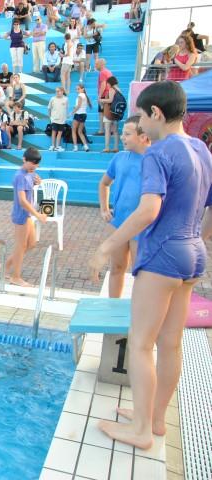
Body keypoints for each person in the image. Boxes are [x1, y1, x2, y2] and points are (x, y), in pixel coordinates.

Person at [89, 81, 212, 449]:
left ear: (156, 113)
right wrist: (196, 238)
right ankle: (155, 419)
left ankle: (141, 431)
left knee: (142, 343)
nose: (140, 125)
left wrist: (107, 245)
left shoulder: (158, 153)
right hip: (193, 252)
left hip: (163, 255)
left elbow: (149, 210)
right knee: (170, 343)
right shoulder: (201, 149)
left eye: (141, 117)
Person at [97, 115, 150, 298]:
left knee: (139, 274)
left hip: (141, 227)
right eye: (122, 133)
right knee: (116, 268)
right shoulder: (119, 158)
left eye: (127, 134)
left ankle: (138, 311)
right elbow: (104, 183)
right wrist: (104, 209)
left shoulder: (153, 161)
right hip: (118, 222)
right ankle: (113, 307)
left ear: (143, 137)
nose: (121, 137)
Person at [5, 147, 46, 287]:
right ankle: (15, 277)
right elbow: (22, 200)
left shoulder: (30, 173)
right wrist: (38, 215)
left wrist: (37, 182)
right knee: (20, 246)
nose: (34, 166)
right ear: (24, 159)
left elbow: (32, 183)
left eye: (36, 164)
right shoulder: (20, 176)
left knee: (31, 244)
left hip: (28, 214)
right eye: (32, 163)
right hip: (22, 215)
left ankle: (6, 266)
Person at [100, 76, 123, 153]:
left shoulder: (111, 89)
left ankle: (107, 148)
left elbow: (110, 100)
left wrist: (102, 100)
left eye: (107, 83)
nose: (107, 85)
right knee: (115, 131)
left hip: (109, 113)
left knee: (107, 131)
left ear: (110, 83)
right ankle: (116, 147)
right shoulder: (119, 90)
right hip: (116, 113)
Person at [71, 83, 91, 152]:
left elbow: (78, 106)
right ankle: (86, 146)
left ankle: (75, 147)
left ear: (83, 89)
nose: (77, 90)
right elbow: (81, 105)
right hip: (84, 115)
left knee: (73, 130)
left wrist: (72, 113)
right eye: (76, 89)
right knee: (80, 131)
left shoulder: (80, 95)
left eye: (78, 89)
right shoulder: (85, 95)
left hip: (78, 114)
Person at [48, 87, 68, 151]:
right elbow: (49, 108)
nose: (57, 92)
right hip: (54, 119)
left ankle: (57, 146)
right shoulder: (52, 99)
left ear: (62, 91)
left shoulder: (66, 99)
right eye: (56, 91)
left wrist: (65, 117)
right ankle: (52, 146)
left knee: (60, 133)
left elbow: (66, 109)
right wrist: (50, 117)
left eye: (58, 91)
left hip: (62, 120)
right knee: (54, 132)